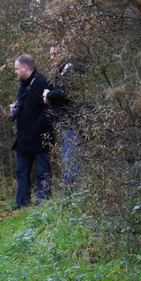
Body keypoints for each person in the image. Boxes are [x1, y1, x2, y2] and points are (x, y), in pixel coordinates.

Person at [8, 54, 53, 209]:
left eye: (17, 68)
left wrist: (36, 128)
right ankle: (21, 205)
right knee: (21, 173)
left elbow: (48, 110)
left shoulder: (43, 82)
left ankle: (43, 205)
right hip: (23, 138)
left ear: (25, 68)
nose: (15, 72)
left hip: (40, 137)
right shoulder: (23, 84)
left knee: (43, 173)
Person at [43, 44, 82, 192]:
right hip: (65, 122)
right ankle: (71, 196)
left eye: (55, 54)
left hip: (73, 121)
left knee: (72, 160)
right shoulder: (60, 72)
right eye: (51, 54)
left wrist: (49, 95)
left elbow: (66, 91)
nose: (52, 57)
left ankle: (74, 196)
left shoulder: (71, 69)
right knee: (68, 159)